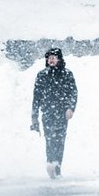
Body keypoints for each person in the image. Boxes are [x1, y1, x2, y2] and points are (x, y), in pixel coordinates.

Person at [30, 47, 78, 178]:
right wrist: (34, 117)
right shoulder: (42, 75)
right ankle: (51, 163)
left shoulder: (67, 74)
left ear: (59, 59)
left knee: (60, 140)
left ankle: (57, 167)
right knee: (50, 138)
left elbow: (73, 93)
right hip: (48, 113)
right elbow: (36, 97)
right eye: (49, 57)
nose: (51, 60)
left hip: (62, 113)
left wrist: (70, 108)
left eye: (53, 57)